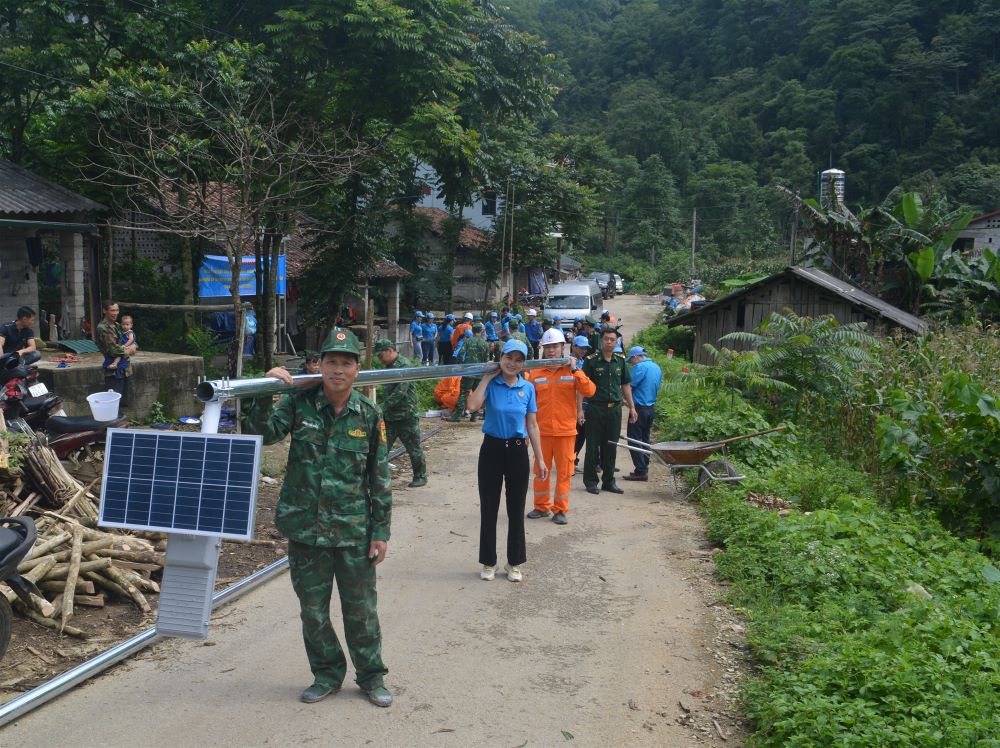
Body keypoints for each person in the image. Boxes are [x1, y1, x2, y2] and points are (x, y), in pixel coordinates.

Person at [243, 328, 394, 708]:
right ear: (319, 365)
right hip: (306, 531)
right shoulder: (299, 403)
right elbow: (262, 435)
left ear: (358, 369)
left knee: (361, 611)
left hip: (353, 530)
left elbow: (379, 478)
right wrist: (264, 389)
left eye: (346, 362)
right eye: (331, 361)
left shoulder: (369, 414)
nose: (338, 370)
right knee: (312, 611)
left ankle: (372, 676)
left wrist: (380, 532)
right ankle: (327, 673)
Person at [467, 339, 547, 582]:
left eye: (518, 360)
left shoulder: (528, 388)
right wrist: (486, 378)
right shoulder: (492, 384)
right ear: (500, 358)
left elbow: (532, 425)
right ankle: (488, 562)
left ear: (524, 363)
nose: (512, 364)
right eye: (508, 358)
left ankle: (514, 563)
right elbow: (472, 406)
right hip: (491, 450)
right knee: (489, 508)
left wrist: (540, 459)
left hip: (517, 452)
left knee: (516, 508)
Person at [525, 328, 596, 525]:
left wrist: (576, 371)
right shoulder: (535, 373)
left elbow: (589, 391)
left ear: (562, 347)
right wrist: (525, 431)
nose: (551, 350)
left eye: (555, 346)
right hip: (542, 432)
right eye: (547, 347)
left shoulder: (572, 370)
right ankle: (541, 507)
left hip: (566, 432)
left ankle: (560, 510)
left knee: (564, 473)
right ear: (543, 349)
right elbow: (526, 404)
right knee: (541, 471)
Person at [581, 325, 637, 495]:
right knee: (592, 446)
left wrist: (632, 407)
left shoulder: (619, 361)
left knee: (611, 446)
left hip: (614, 410)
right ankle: (591, 481)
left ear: (616, 341)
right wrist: (579, 410)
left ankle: (608, 481)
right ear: (601, 340)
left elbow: (625, 385)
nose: (609, 342)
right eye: (607, 339)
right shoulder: (591, 360)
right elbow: (581, 387)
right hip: (595, 409)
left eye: (613, 339)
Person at [374, 339, 427, 487]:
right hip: (390, 417)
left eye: (381, 355)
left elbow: (399, 393)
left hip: (406, 416)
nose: (379, 359)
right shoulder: (389, 366)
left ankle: (420, 476)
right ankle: (378, 479)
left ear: (390, 350)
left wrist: (380, 408)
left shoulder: (404, 366)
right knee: (381, 450)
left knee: (413, 448)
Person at [623, 346, 663, 482]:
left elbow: (627, 385)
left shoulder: (639, 368)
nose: (632, 364)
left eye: (631, 361)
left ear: (635, 357)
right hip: (651, 409)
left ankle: (641, 471)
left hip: (639, 409)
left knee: (633, 439)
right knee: (645, 439)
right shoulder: (656, 367)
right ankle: (644, 466)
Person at [95, 300, 138, 408]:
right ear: (105, 311)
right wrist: (131, 349)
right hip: (113, 371)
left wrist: (134, 346)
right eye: (112, 310)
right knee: (113, 402)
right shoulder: (103, 328)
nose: (115, 313)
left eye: (117, 310)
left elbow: (133, 342)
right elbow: (113, 350)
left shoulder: (118, 325)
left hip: (125, 368)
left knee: (124, 401)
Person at [451, 322, 489, 422]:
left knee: (464, 393)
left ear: (472, 331)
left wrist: (461, 365)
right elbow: (487, 359)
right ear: (481, 331)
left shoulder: (468, 341)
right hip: (480, 373)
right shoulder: (485, 343)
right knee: (478, 395)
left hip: (468, 372)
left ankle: (457, 416)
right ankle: (474, 416)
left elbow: (460, 353)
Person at [571, 335, 593, 472]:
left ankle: (574, 460)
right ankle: (570, 461)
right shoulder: (567, 363)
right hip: (572, 405)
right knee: (575, 434)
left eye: (585, 348)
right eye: (580, 347)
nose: (583, 350)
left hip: (583, 403)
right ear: (573, 346)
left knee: (581, 434)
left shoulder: (584, 362)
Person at [103, 314, 137, 379]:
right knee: (118, 354)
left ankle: (115, 364)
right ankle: (115, 364)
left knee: (119, 354)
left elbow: (131, 340)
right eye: (123, 324)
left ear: (131, 325)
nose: (125, 326)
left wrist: (125, 345)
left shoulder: (130, 332)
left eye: (127, 324)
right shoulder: (122, 332)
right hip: (123, 346)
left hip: (128, 346)